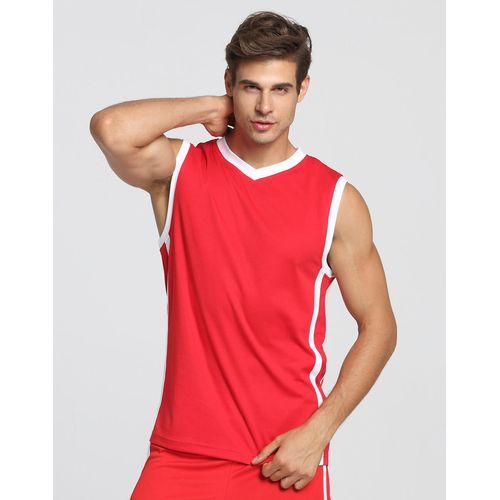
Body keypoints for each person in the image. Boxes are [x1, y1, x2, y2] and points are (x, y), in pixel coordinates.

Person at [90, 10, 397, 500]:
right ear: (230, 84)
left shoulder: (336, 200)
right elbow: (110, 128)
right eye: (251, 87)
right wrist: (208, 107)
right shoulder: (181, 171)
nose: (264, 106)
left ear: (303, 90)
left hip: (284, 459)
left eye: (280, 89)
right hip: (183, 453)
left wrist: (318, 433)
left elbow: (379, 326)